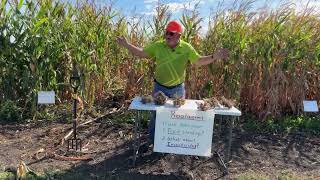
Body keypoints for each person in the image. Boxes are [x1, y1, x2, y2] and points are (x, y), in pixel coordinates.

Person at [116, 20, 229, 147]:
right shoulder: (158, 46)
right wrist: (127, 45)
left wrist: (214, 56)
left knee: (177, 115)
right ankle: (153, 142)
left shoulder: (186, 48)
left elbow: (198, 61)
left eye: (171, 33)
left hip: (177, 89)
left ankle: (174, 144)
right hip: (159, 88)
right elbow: (142, 53)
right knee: (156, 115)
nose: (167, 36)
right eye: (166, 33)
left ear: (179, 36)